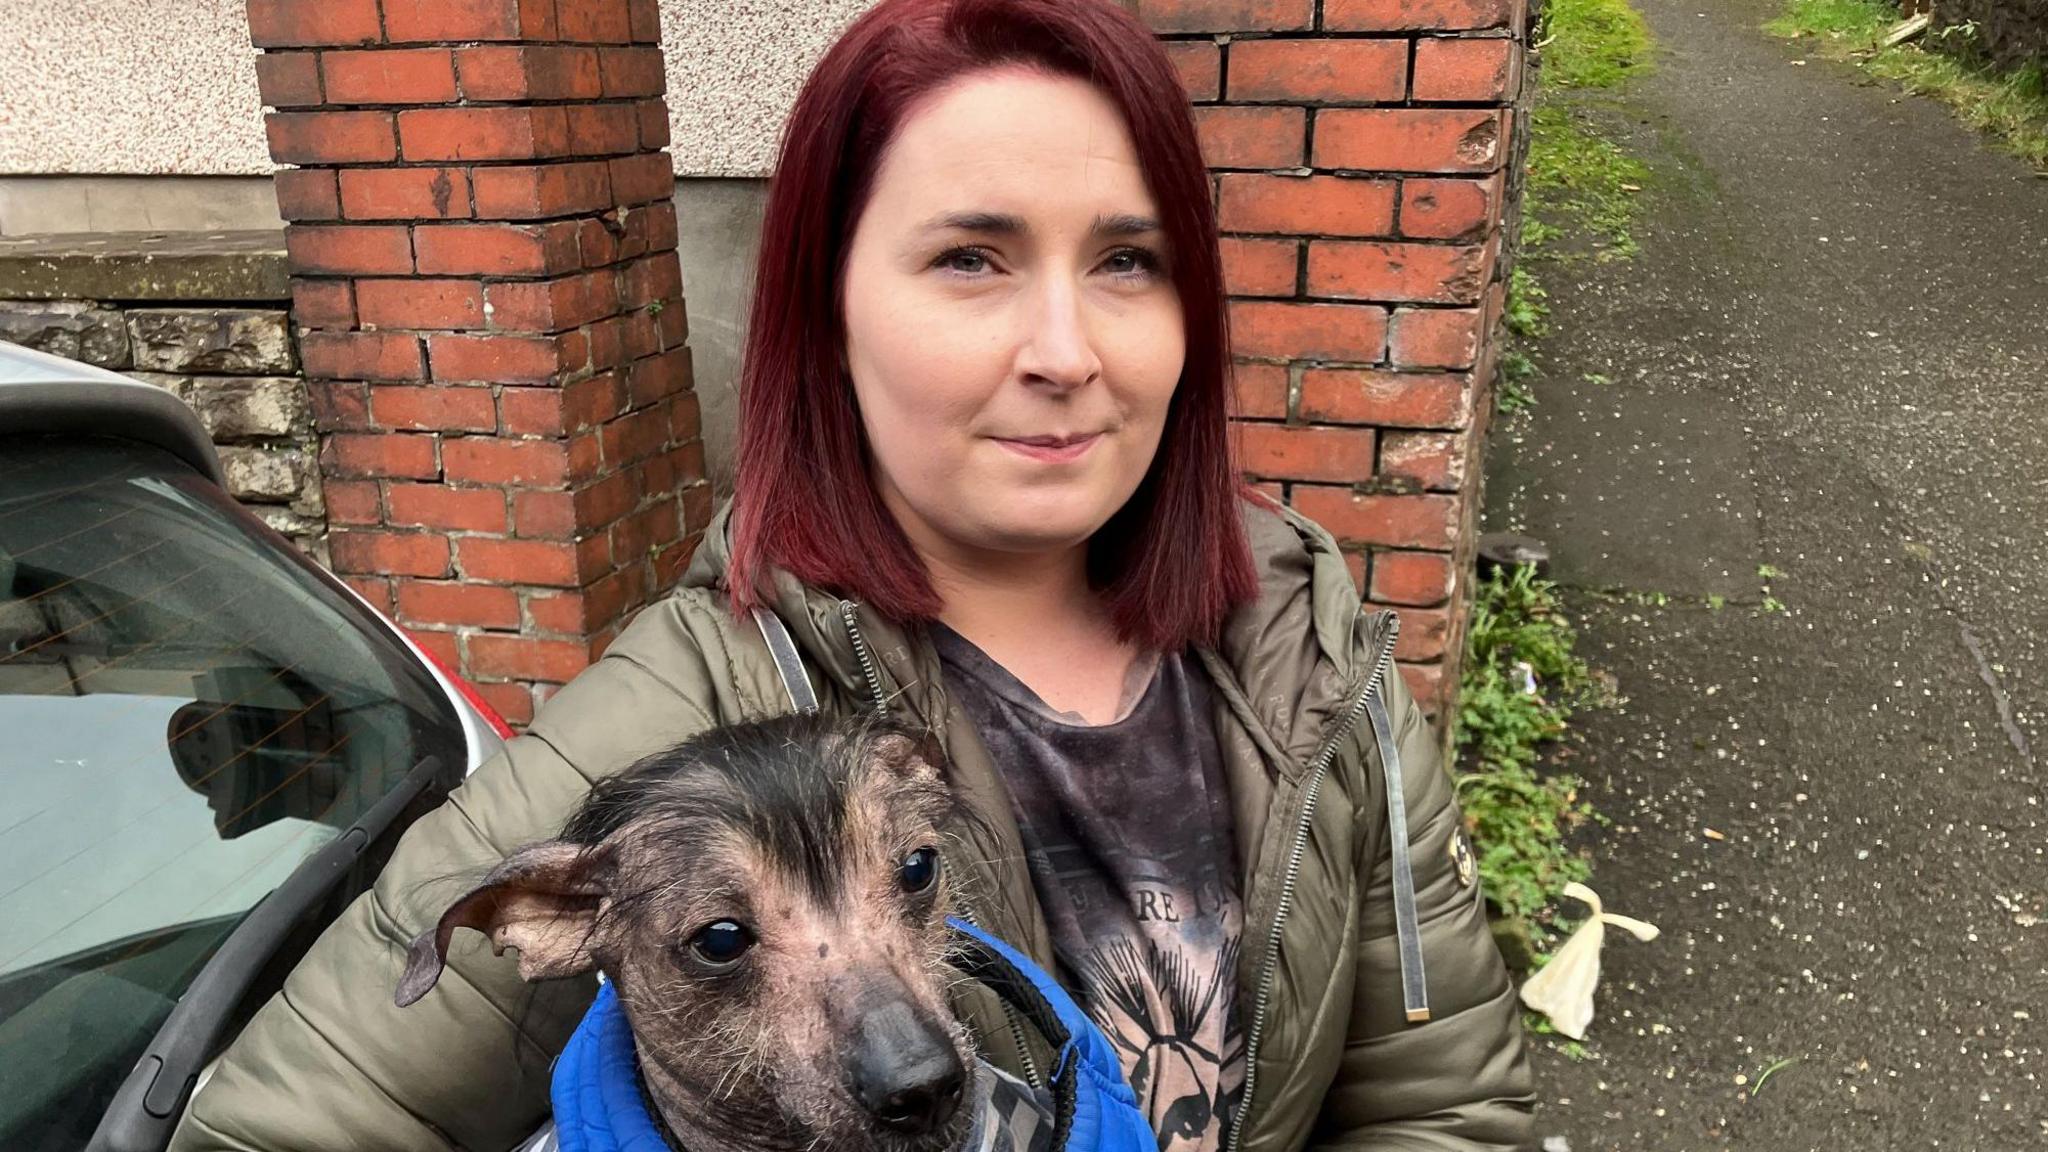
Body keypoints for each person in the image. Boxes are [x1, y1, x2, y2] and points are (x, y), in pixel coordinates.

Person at [172, 1, 1533, 1149]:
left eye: (1129, 260)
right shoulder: (683, 724)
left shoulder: (1301, 646)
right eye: (972, 258)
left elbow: (1444, 1106)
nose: (1069, 348)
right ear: (827, 313)